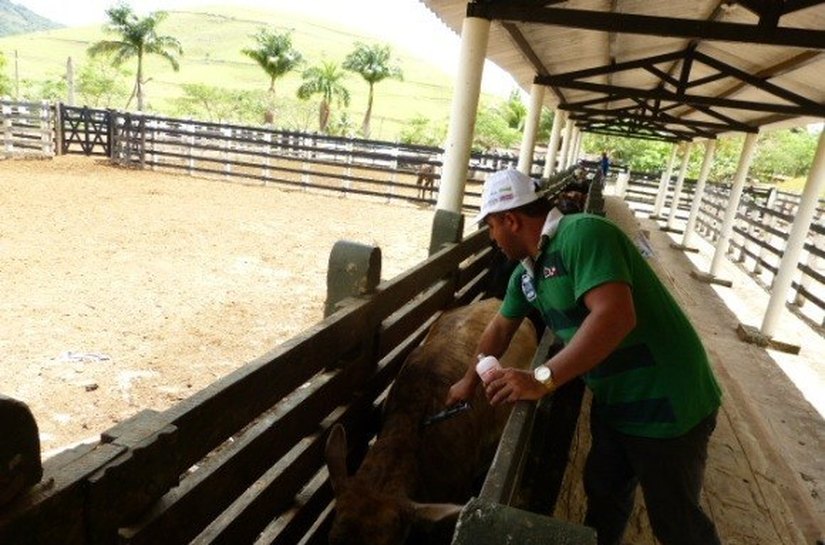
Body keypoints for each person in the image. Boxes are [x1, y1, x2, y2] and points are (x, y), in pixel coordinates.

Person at [447, 168, 723, 545]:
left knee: (677, 523)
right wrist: (467, 382)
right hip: (615, 398)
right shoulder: (526, 275)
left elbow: (615, 316)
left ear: (510, 220)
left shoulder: (584, 234)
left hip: (667, 399)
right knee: (604, 498)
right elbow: (499, 329)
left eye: (491, 227)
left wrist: (541, 379)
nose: (492, 238)